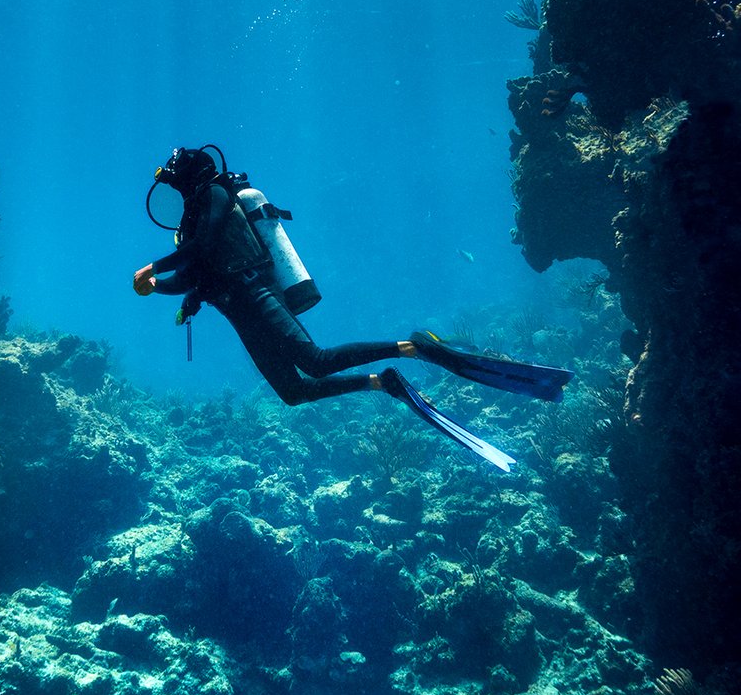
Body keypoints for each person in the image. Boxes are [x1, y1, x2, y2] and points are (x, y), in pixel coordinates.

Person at [134, 145, 572, 470]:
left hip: (255, 293)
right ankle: (381, 382)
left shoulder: (214, 195)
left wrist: (153, 266)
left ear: (188, 177)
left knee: (316, 362)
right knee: (294, 393)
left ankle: (412, 347)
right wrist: (157, 287)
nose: (173, 195)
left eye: (173, 184)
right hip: (238, 313)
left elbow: (206, 246)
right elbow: (192, 276)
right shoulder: (191, 224)